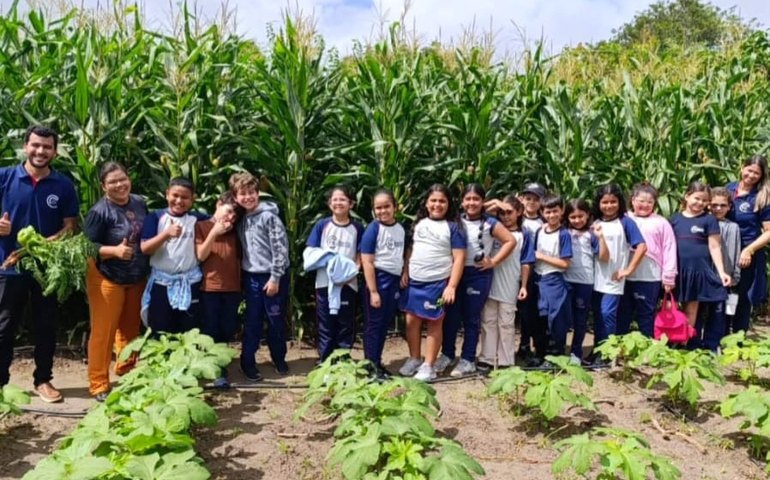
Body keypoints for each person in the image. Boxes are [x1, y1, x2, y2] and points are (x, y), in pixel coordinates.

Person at [0, 125, 78, 403]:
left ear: (55, 152)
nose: (40, 151)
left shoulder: (63, 185)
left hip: (48, 269)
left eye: (47, 147)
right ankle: (1, 383)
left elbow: (71, 226)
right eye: (36, 145)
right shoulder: (5, 177)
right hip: (9, 266)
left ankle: (43, 380)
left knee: (46, 324)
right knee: (4, 325)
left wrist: (44, 244)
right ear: (25, 146)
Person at [83, 162, 149, 402]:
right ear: (103, 186)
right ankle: (99, 383)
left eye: (123, 179)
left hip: (136, 275)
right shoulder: (99, 212)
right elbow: (86, 247)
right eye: (112, 182)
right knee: (104, 331)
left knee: (130, 328)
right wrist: (113, 251)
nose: (120, 185)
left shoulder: (139, 202)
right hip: (106, 276)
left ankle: (126, 368)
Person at [436, 184, 514, 377]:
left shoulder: (490, 223)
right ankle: (447, 354)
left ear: (482, 201)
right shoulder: (455, 220)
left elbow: (510, 240)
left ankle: (468, 359)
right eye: (468, 199)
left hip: (478, 274)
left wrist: (493, 261)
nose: (472, 203)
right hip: (456, 272)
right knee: (451, 316)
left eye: (476, 199)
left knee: (471, 318)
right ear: (462, 202)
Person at [398, 184, 465, 381]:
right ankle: (414, 358)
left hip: (436, 283)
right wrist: (406, 270)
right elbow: (411, 248)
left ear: (448, 204)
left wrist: (451, 286)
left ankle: (428, 366)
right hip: (415, 281)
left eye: (442, 201)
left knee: (434, 322)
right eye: (433, 200)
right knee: (411, 321)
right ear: (426, 203)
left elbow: (459, 258)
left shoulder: (453, 227)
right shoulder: (418, 224)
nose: (437, 204)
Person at [232, 173, 290, 380]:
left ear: (258, 194)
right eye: (243, 194)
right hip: (251, 277)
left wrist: (275, 277)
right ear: (236, 197)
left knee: (275, 319)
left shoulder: (269, 217)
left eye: (251, 193)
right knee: (252, 320)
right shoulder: (240, 219)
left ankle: (279, 357)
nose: (248, 197)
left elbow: (280, 248)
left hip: (273, 276)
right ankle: (247, 361)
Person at [304, 185, 363, 362]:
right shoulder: (322, 225)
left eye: (343, 199)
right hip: (324, 283)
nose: (338, 203)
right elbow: (310, 253)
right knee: (326, 325)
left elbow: (360, 256)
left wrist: (350, 274)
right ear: (329, 204)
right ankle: (325, 362)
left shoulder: (357, 228)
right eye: (335, 199)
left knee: (345, 324)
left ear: (351, 204)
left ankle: (343, 361)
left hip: (347, 284)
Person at [670, 182, 731, 345]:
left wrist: (722, 271)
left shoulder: (709, 220)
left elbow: (714, 246)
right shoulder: (674, 219)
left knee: (692, 309)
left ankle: (685, 343)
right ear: (687, 196)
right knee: (671, 306)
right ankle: (669, 341)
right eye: (697, 198)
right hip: (676, 271)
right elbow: (667, 246)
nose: (700, 203)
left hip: (698, 272)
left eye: (705, 201)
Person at [140, 177, 204, 334]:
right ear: (167, 194)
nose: (179, 201)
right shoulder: (155, 218)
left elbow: (220, 218)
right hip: (162, 284)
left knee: (189, 331)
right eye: (175, 195)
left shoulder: (197, 219)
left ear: (193, 199)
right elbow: (145, 248)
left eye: (185, 197)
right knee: (160, 330)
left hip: (190, 283)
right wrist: (166, 234)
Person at [591, 184, 646, 361]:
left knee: (608, 314)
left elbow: (642, 246)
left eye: (613, 202)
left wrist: (628, 269)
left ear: (619, 202)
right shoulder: (594, 222)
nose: (609, 206)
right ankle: (598, 350)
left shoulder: (625, 222)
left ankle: (608, 353)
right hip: (594, 276)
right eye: (604, 202)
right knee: (598, 314)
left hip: (613, 277)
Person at [478, 195, 533, 369]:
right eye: (501, 212)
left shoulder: (524, 235)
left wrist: (523, 285)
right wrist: (493, 203)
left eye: (510, 212)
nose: (505, 216)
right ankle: (486, 358)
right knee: (488, 321)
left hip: (509, 285)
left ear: (519, 212)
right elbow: (474, 211)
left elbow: (526, 262)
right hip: (490, 282)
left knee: (506, 324)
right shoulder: (494, 230)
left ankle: (505, 361)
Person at [618, 183, 677, 338]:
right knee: (622, 314)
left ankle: (648, 348)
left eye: (649, 202)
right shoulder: (623, 218)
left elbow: (669, 248)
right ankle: (618, 348)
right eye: (641, 201)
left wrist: (669, 276)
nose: (645, 205)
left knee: (646, 314)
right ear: (632, 200)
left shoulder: (661, 222)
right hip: (623, 276)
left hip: (649, 276)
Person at [195, 191, 241, 387]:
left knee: (228, 327)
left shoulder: (235, 231)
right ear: (218, 203)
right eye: (228, 211)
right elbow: (200, 256)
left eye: (234, 215)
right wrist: (214, 232)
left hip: (233, 288)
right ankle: (217, 372)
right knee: (211, 329)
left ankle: (219, 363)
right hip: (210, 288)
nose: (230, 217)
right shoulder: (202, 227)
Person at [361, 189, 406, 379]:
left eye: (386, 206)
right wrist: (373, 291)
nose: (382, 211)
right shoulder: (373, 229)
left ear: (395, 207)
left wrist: (404, 272)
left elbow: (403, 254)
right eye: (378, 208)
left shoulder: (400, 229)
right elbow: (367, 261)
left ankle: (378, 363)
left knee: (384, 325)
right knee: (374, 325)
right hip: (378, 280)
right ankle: (370, 367)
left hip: (393, 282)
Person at [726, 155, 770, 333]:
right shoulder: (728, 189)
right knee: (726, 294)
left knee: (741, 296)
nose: (751, 175)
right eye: (749, 170)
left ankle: (738, 335)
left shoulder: (761, 197)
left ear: (761, 176)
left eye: (756, 173)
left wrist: (749, 250)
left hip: (746, 253)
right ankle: (723, 331)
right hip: (725, 251)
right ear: (742, 168)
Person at [564, 199, 607, 364]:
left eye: (580, 216)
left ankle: (576, 352)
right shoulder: (564, 232)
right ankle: (561, 349)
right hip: (565, 280)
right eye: (572, 217)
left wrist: (601, 238)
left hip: (585, 282)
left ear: (587, 215)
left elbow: (603, 256)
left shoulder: (591, 234)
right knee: (564, 318)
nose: (577, 220)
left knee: (580, 319)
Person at [532, 194, 572, 364]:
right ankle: (541, 353)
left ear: (561, 211)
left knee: (555, 319)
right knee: (540, 318)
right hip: (538, 278)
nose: (552, 215)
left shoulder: (563, 234)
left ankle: (556, 355)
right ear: (542, 212)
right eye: (548, 212)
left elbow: (565, 263)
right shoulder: (539, 231)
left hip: (554, 279)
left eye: (555, 211)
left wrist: (541, 256)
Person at [517, 182, 545, 361]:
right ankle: (523, 343)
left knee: (533, 312)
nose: (532, 202)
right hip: (515, 272)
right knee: (521, 312)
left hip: (537, 272)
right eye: (528, 198)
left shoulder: (544, 222)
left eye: (536, 199)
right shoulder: (516, 218)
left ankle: (533, 345)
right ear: (521, 199)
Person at [710, 187, 741, 338]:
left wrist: (734, 274)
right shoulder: (704, 223)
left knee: (719, 311)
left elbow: (734, 252)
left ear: (729, 207)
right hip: (705, 274)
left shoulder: (733, 227)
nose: (718, 208)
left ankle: (716, 341)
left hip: (724, 276)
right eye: (714, 205)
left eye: (723, 205)